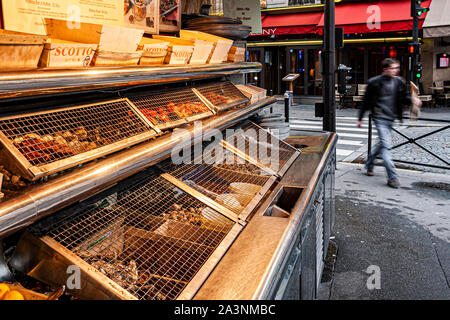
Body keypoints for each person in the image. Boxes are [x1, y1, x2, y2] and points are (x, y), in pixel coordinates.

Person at [357, 58, 422, 188]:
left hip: (391, 117)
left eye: (397, 68)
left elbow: (404, 97)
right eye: (392, 68)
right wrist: (360, 117)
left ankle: (369, 164)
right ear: (385, 69)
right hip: (379, 118)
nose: (395, 70)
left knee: (382, 144)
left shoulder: (399, 81)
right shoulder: (374, 82)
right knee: (386, 146)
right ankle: (392, 177)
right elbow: (366, 101)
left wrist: (413, 101)